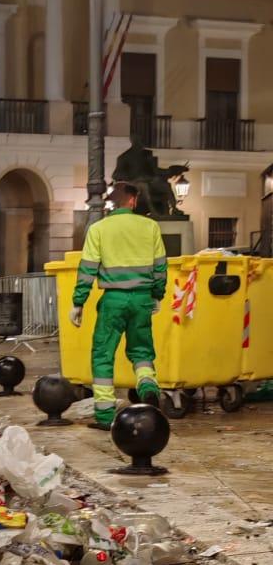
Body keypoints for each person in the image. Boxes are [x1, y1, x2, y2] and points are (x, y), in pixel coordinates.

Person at [71, 181, 167, 429]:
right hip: (142, 298)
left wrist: (78, 302)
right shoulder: (151, 227)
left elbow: (87, 269)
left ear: (111, 203)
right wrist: (157, 295)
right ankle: (147, 384)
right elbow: (160, 267)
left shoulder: (99, 229)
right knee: (142, 350)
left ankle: (104, 415)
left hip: (113, 299)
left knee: (103, 354)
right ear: (133, 201)